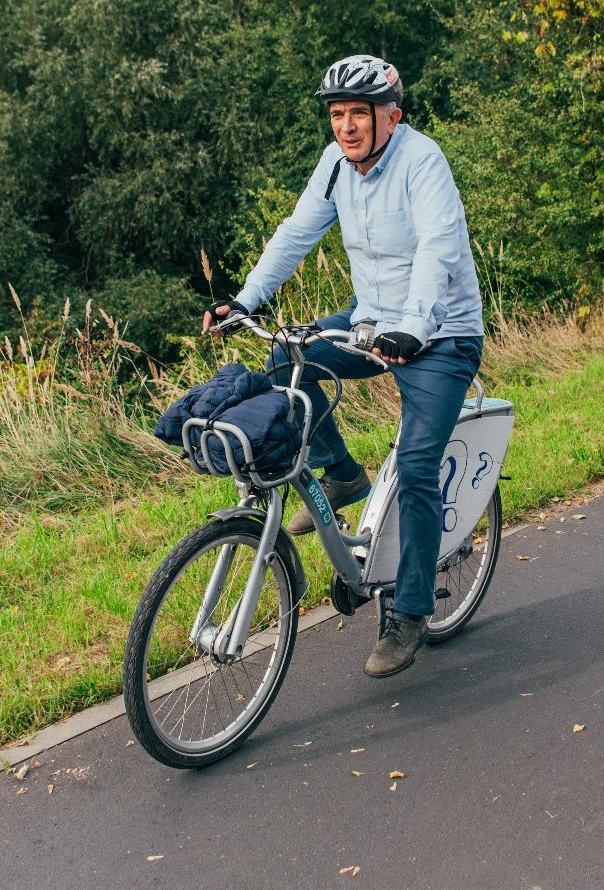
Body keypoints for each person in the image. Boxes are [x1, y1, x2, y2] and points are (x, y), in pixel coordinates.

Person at [203, 54, 485, 678]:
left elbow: (439, 249)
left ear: (392, 116)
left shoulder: (422, 163)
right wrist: (246, 299)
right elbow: (296, 233)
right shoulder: (336, 166)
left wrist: (413, 326)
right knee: (285, 362)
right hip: (372, 317)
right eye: (338, 115)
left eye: (360, 114)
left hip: (440, 334)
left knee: (416, 466)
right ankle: (342, 472)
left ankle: (408, 612)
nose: (348, 127)